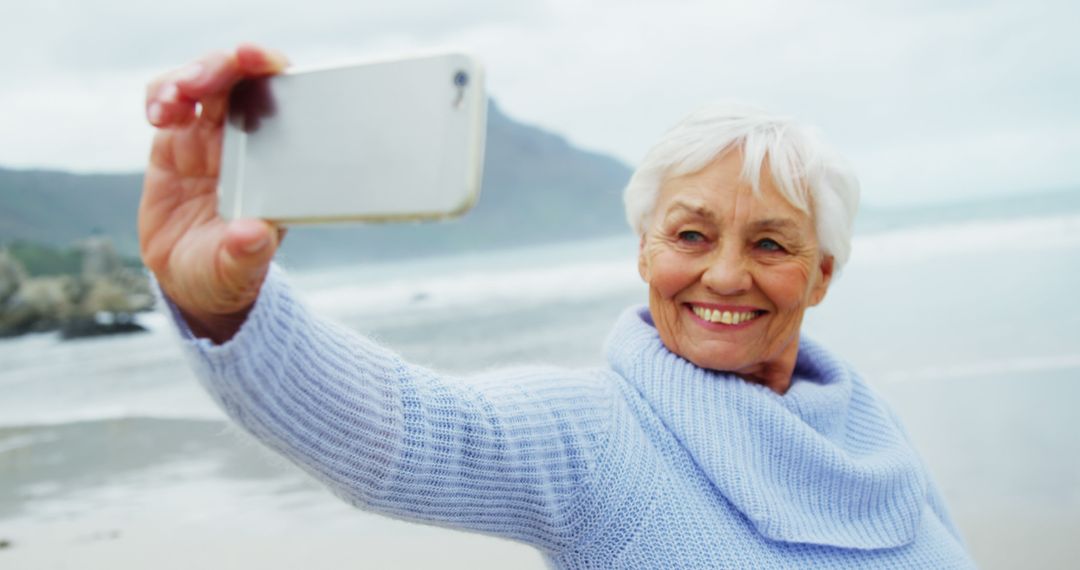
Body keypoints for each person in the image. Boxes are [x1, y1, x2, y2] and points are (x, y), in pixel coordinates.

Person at [141, 44, 976, 568]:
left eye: (769, 244)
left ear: (822, 274)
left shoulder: (866, 425)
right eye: (690, 236)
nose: (724, 276)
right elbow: (405, 429)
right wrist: (222, 306)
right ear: (643, 250)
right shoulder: (597, 437)